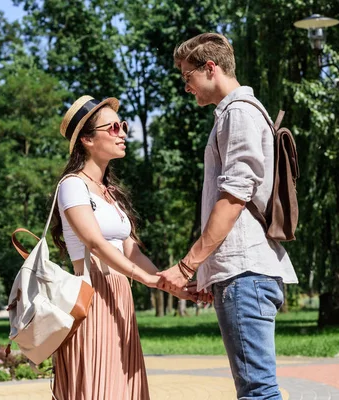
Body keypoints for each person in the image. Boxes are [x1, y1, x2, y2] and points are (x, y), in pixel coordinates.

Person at [158, 33, 299, 400]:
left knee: (258, 391)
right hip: (243, 271)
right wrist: (209, 273)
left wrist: (189, 265)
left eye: (187, 76)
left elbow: (235, 196)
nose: (185, 87)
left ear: (210, 68)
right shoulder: (239, 113)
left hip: (245, 272)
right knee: (257, 388)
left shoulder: (238, 113)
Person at [51, 95, 200, 400]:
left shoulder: (112, 194)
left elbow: (132, 251)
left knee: (120, 386)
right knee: (98, 384)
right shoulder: (71, 185)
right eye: (114, 127)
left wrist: (171, 284)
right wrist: (144, 280)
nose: (123, 133)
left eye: (124, 126)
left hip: (120, 296)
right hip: (92, 296)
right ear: (88, 140)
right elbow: (94, 242)